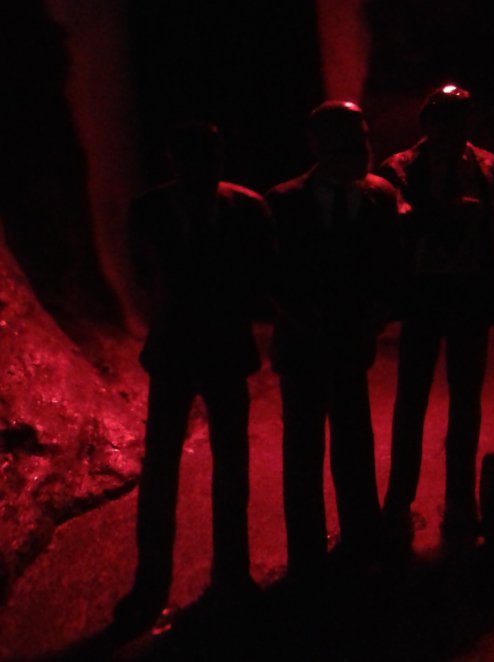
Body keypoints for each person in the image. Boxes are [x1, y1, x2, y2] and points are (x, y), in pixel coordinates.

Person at [114, 122, 272, 632]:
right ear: (175, 161)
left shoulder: (245, 208)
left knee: (224, 467)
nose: (205, 167)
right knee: (166, 467)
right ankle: (155, 582)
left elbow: (258, 274)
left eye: (210, 156)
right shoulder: (156, 208)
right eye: (195, 158)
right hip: (181, 349)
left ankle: (227, 575)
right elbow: (146, 275)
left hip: (211, 348)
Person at [379, 84, 494, 549]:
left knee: (465, 401)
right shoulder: (400, 168)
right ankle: (399, 502)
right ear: (428, 123)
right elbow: (396, 222)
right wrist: (443, 216)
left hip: (468, 295)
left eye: (462, 120)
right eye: (445, 120)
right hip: (423, 296)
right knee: (411, 400)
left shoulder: (489, 167)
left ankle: (459, 501)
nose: (455, 130)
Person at [267, 101, 399, 584]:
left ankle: (361, 538)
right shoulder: (282, 202)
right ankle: (307, 554)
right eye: (349, 144)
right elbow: (270, 275)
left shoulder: (380, 196)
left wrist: (379, 313)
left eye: (363, 141)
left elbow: (389, 264)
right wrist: (302, 316)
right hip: (304, 345)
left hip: (350, 342)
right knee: (303, 449)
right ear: (319, 147)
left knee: (355, 442)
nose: (362, 152)